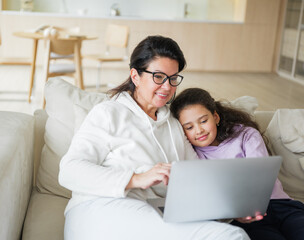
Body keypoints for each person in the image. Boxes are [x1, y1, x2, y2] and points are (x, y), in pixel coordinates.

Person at [58, 36, 249, 240]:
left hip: (156, 213)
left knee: (232, 233)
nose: (167, 87)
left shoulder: (174, 123)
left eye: (173, 78)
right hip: (100, 208)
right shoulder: (108, 113)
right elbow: (70, 170)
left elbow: (196, 176)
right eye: (158, 77)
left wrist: (231, 209)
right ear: (135, 76)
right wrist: (137, 179)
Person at [170, 87, 304, 240]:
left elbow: (260, 175)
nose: (199, 130)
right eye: (189, 127)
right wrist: (237, 211)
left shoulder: (246, 135)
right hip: (246, 219)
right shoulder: (191, 155)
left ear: (216, 117)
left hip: (282, 205)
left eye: (203, 121)